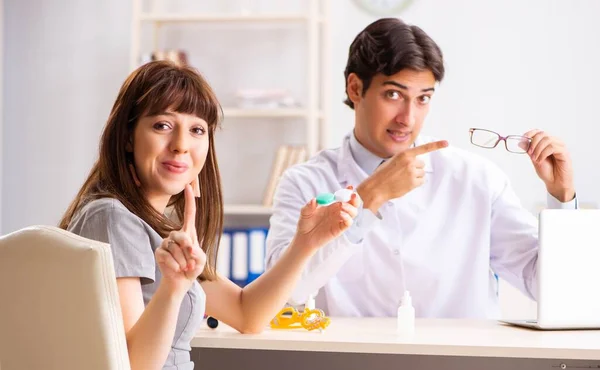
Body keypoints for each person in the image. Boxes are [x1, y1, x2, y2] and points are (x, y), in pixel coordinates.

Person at [265, 18, 577, 319]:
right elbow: (283, 296)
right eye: (394, 95)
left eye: (423, 98)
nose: (408, 118)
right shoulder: (304, 183)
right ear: (355, 88)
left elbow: (554, 290)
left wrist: (561, 196)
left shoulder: (476, 178)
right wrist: (369, 198)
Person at [59, 60, 357, 370]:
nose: (181, 145)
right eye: (162, 125)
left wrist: (304, 244)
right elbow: (131, 365)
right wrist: (173, 288)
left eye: (197, 130)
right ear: (127, 137)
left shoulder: (155, 229)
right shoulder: (113, 218)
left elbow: (247, 314)